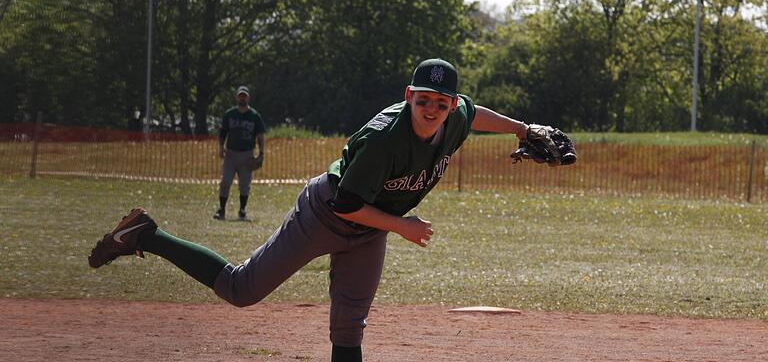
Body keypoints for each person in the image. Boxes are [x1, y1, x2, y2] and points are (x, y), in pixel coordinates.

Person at [88, 59, 531, 362]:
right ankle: (146, 234)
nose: (433, 109)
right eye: (424, 100)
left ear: (451, 103)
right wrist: (401, 227)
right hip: (325, 214)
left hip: (370, 230)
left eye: (442, 102)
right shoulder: (384, 141)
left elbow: (475, 115)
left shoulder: (456, 115)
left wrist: (523, 131)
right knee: (241, 289)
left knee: (349, 326)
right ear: (408, 95)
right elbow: (348, 204)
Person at [214, 85, 266, 221]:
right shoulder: (229, 114)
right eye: (240, 95)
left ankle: (242, 210)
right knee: (225, 181)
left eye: (244, 96)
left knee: (244, 184)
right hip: (231, 154)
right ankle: (222, 210)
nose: (242, 98)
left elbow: (260, 135)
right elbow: (223, 132)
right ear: (237, 97)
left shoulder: (254, 116)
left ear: (248, 97)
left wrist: (261, 153)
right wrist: (220, 146)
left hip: (247, 155)